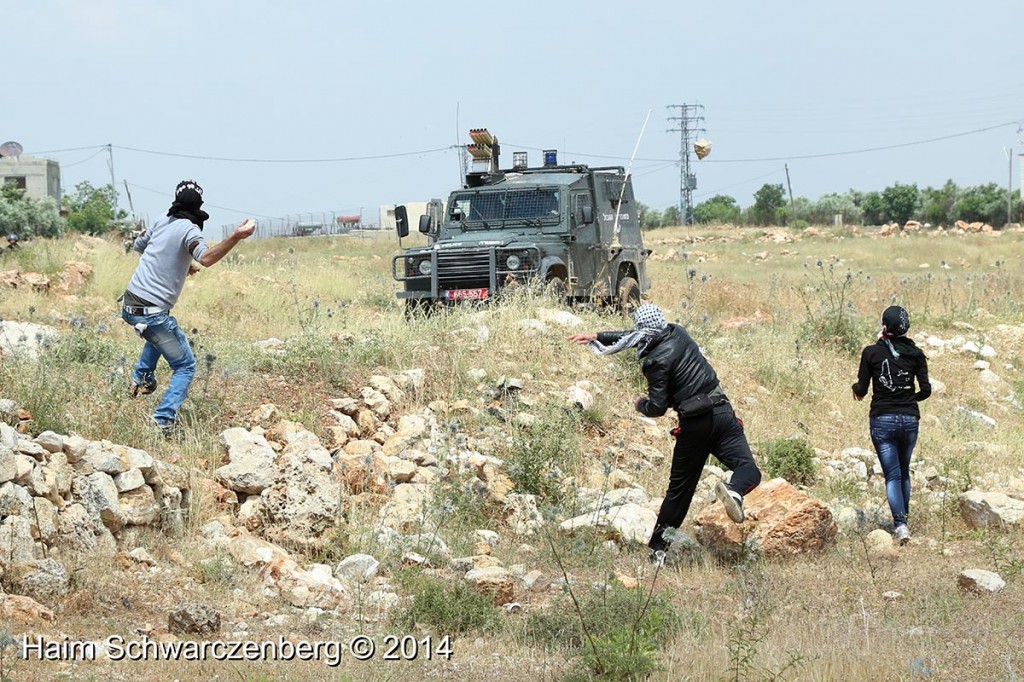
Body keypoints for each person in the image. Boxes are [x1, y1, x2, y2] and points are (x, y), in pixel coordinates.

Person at [569, 303, 761, 562]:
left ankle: (658, 550)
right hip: (722, 414)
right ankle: (735, 490)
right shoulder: (678, 332)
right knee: (749, 469)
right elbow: (636, 333)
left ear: (642, 330)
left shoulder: (655, 361)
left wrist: (640, 405)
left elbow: (657, 407)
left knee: (679, 493)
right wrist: (598, 335)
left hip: (694, 426)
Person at [121, 179, 255, 435]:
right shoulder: (189, 229)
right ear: (199, 205)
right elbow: (206, 258)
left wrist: (180, 264)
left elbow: (140, 246)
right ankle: (162, 421)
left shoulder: (163, 219)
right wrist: (236, 236)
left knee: (158, 336)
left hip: (130, 305)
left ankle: (141, 379)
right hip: (152, 314)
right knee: (184, 366)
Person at [852, 305, 931, 545]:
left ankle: (900, 525)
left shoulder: (871, 353)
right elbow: (926, 391)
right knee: (904, 472)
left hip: (883, 420)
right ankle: (903, 521)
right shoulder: (916, 354)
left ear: (884, 326)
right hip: (909, 419)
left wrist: (855, 390)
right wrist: (907, 400)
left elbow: (862, 389)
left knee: (892, 476)